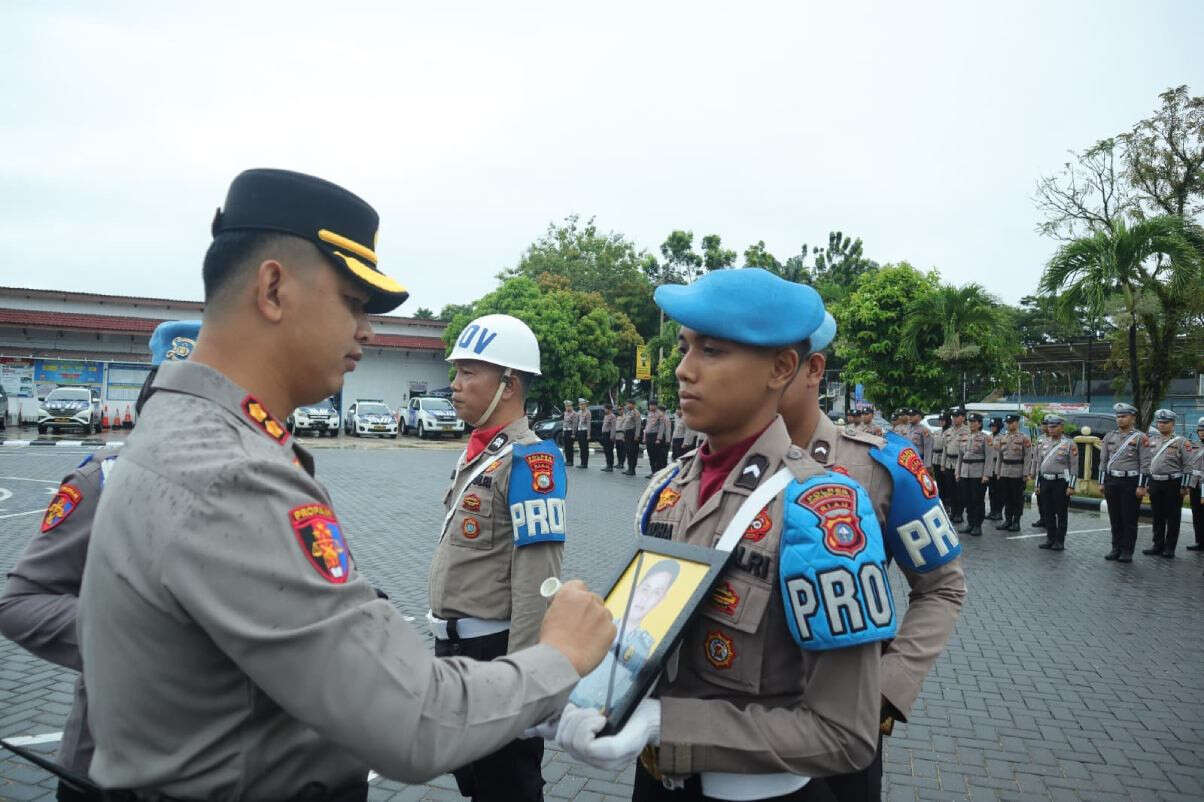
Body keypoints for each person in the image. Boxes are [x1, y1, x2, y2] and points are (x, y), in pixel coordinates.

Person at [76, 168, 615, 799]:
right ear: (273, 288)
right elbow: (413, 724)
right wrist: (559, 657)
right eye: (354, 303)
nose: (367, 331)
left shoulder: (179, 430)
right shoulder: (235, 474)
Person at [551, 268, 896, 801]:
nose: (684, 371)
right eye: (685, 348)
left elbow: (844, 735)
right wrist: (569, 687)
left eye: (711, 351)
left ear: (781, 368)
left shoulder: (822, 509)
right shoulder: (669, 485)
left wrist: (667, 725)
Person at [0, 320, 199, 802]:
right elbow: (21, 602)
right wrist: (149, 634)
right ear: (150, 402)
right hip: (111, 769)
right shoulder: (105, 482)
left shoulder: (271, 485)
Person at [776, 311, 965, 800]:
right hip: (725, 723)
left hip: (839, 722)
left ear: (812, 368)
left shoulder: (880, 464)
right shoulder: (705, 465)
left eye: (774, 361)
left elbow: (942, 586)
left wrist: (887, 688)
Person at [430, 313, 571, 800]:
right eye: (457, 372)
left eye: (469, 372)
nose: (455, 384)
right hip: (454, 653)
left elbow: (539, 584)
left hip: (493, 657)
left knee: (507, 787)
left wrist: (525, 682)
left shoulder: (532, 461)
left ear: (508, 384)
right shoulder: (481, 451)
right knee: (475, 781)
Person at [569, 559, 681, 712]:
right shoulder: (599, 620)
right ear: (635, 588)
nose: (646, 598)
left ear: (660, 600)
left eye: (656, 593)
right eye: (645, 588)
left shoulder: (646, 647)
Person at [1099, 402, 1149, 563]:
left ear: (1133, 418)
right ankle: (1116, 548)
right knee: (1115, 517)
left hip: (1131, 481)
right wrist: (1102, 482)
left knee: (1129, 518)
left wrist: (1141, 486)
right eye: (1118, 417)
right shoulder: (1109, 436)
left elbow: (1145, 463)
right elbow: (1103, 461)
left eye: (1124, 416)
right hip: (1112, 480)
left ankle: (1127, 550)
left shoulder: (1141, 438)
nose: (1120, 419)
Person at [1141, 408, 1193, 558]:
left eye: (1165, 422)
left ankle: (1170, 547)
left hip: (1173, 483)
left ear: (1172, 424)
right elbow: (1146, 463)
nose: (1162, 425)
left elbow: (1188, 465)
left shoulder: (1182, 442)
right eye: (1159, 422)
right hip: (1155, 482)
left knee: (1172, 516)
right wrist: (1146, 483)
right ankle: (1157, 545)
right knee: (1157, 515)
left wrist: (1184, 486)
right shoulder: (1151, 440)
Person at [1033, 415, 1077, 551]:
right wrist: (1037, 484)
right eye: (1050, 427)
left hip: (1061, 482)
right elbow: (1039, 466)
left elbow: (1074, 467)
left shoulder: (1069, 444)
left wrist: (1071, 485)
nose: (1051, 429)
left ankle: (1059, 541)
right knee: (1048, 512)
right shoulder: (1043, 443)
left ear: (1061, 427)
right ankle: (1050, 538)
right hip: (1045, 481)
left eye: (1054, 426)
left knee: (1061, 512)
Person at [955, 412, 991, 536]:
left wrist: (986, 474)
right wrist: (957, 472)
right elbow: (960, 456)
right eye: (970, 422)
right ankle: (970, 523)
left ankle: (977, 525)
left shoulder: (985, 437)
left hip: (978, 473)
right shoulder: (964, 437)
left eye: (974, 422)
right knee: (967, 499)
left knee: (977, 500)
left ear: (979, 423)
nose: (971, 424)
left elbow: (989, 457)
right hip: (965, 472)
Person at [993, 413, 1030, 533]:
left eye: (1011, 422)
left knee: (1017, 498)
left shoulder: (1024, 438)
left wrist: (1025, 474)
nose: (1009, 425)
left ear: (1017, 423)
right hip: (1004, 470)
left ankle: (1016, 521)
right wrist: (998, 471)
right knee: (1006, 497)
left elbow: (1028, 457)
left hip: (1017, 471)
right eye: (1007, 423)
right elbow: (999, 456)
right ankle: (1008, 520)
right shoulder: (1002, 437)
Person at [943, 408, 967, 524]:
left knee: (960, 490)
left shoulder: (967, 431)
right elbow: (944, 449)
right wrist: (942, 464)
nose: (954, 418)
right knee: (950, 489)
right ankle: (952, 512)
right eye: (953, 416)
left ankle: (959, 513)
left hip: (960, 463)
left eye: (957, 416)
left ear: (963, 417)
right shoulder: (948, 431)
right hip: (949, 463)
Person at [1029, 420, 1051, 529]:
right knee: (1039, 497)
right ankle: (1042, 518)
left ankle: (1049, 520)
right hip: (1039, 472)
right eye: (1042, 425)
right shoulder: (1040, 439)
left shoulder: (1055, 439)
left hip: (1050, 473)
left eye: (1045, 425)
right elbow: (1035, 458)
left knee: (1049, 499)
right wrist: (1032, 472)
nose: (1043, 427)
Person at [643, 400, 670, 476]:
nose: (650, 407)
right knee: (650, 454)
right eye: (650, 405)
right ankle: (653, 471)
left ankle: (656, 472)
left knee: (656, 455)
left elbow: (661, 427)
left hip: (655, 436)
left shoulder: (660, 414)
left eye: (652, 405)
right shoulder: (649, 414)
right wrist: (644, 437)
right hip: (649, 435)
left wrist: (659, 438)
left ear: (655, 406)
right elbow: (647, 426)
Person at [1189, 417, 1204, 552]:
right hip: (1194, 485)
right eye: (1200, 430)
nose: (1202, 432)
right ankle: (1199, 541)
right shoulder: (1194, 445)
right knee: (1197, 515)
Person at [985, 417, 1004, 522]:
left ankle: (999, 512)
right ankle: (992, 511)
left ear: (999, 427)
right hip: (990, 465)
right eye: (991, 426)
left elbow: (1003, 451)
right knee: (991, 490)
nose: (992, 428)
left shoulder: (1002, 438)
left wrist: (995, 445)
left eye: (994, 426)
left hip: (998, 464)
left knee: (999, 491)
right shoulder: (989, 436)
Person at [622, 400, 642, 476]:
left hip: (632, 434)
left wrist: (637, 435)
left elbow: (638, 425)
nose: (627, 405)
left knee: (633, 452)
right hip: (627, 433)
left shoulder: (636, 413)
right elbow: (626, 425)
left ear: (633, 405)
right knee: (628, 451)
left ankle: (632, 469)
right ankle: (629, 468)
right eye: (627, 404)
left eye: (628, 404)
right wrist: (624, 435)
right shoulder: (628, 413)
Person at [601, 403, 618, 472]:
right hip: (605, 434)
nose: (604, 410)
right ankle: (608, 464)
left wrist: (612, 436)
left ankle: (610, 466)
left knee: (609, 451)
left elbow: (613, 427)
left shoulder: (612, 416)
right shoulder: (606, 416)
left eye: (605, 409)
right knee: (606, 450)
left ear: (609, 409)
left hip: (609, 435)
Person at [577, 397, 592, 469]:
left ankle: (585, 463)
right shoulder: (579, 412)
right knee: (581, 447)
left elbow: (589, 424)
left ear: (585, 405)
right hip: (580, 431)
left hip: (585, 431)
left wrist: (588, 434)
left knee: (585, 448)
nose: (581, 406)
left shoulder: (588, 412)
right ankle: (582, 462)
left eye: (582, 404)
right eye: (580, 404)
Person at [561, 400, 578, 466]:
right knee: (566, 447)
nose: (567, 407)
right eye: (566, 406)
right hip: (565, 431)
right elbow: (564, 423)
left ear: (571, 406)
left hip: (570, 432)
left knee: (570, 447)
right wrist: (563, 431)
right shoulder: (565, 413)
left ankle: (571, 461)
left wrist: (573, 433)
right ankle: (567, 460)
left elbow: (575, 424)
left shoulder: (574, 414)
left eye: (568, 406)